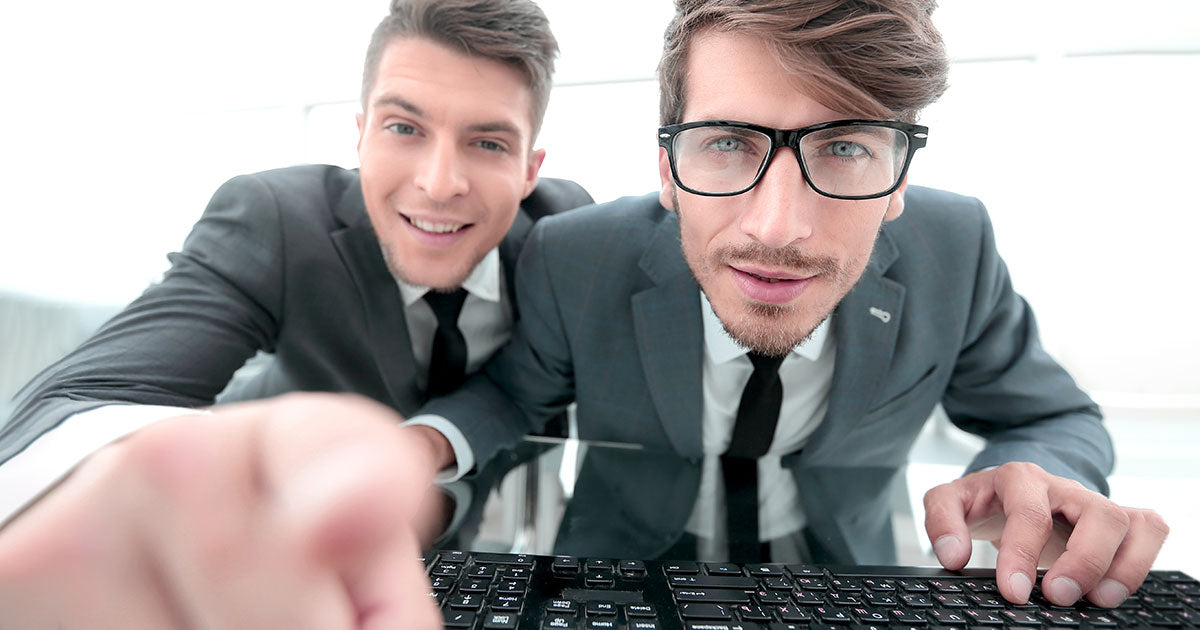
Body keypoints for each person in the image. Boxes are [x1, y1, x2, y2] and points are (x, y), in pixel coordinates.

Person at [419, 0, 1170, 610]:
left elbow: (1048, 416)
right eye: (726, 143)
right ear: (667, 169)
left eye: (844, 147)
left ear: (901, 174)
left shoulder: (956, 246)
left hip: (848, 577)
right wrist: (426, 445)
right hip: (617, 573)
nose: (776, 228)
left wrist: (1035, 473)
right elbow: (517, 396)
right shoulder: (576, 254)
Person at [0, 0, 590, 626]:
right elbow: (78, 399)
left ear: (530, 168)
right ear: (360, 133)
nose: (440, 183)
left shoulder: (568, 237)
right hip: (265, 544)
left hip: (497, 561)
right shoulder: (279, 220)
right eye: (404, 128)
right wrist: (153, 489)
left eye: (488, 142)